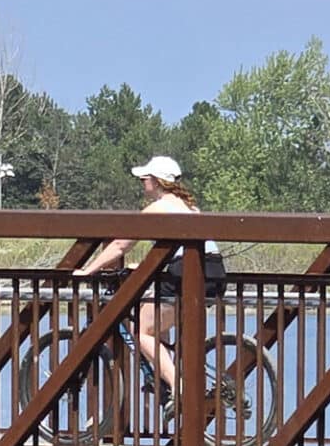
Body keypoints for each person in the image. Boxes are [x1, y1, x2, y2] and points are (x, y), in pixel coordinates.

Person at [73, 155, 225, 411]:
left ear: (157, 181)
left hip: (185, 275)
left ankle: (180, 390)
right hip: (212, 273)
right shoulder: (190, 208)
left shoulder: (158, 209)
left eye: (145, 178)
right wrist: (143, 267)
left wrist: (89, 270)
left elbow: (123, 243)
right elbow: (170, 249)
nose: (142, 182)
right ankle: (168, 383)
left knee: (142, 332)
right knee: (155, 323)